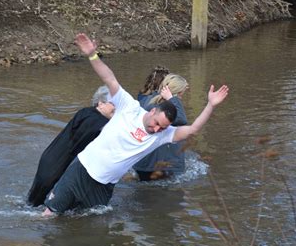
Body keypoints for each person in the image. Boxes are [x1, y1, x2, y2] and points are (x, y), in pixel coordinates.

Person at [42, 33, 229, 216]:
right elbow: (109, 78)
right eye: (156, 123)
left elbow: (193, 129)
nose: (156, 129)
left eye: (162, 128)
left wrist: (211, 105)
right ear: (153, 111)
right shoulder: (129, 107)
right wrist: (92, 55)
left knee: (92, 227)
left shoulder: (161, 136)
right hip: (81, 170)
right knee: (49, 216)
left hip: (105, 186)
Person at [26, 85, 115, 207]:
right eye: (113, 104)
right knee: (47, 206)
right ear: (100, 103)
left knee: (32, 203)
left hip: (49, 159)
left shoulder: (85, 111)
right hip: (58, 167)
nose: (117, 107)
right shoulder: (99, 122)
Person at [133, 73, 189, 181]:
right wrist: (172, 99)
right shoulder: (162, 110)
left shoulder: (147, 100)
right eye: (181, 94)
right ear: (176, 93)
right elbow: (181, 120)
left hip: (143, 164)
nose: (181, 98)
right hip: (153, 166)